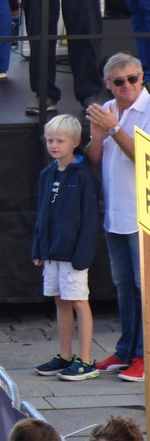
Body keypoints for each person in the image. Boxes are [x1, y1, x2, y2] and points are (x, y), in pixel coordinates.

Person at [83, 54, 149, 381]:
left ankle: (144, 356)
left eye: (133, 78)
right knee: (124, 286)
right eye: (119, 81)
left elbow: (144, 157)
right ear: (107, 83)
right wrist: (97, 138)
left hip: (143, 216)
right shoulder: (108, 109)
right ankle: (126, 351)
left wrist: (113, 128)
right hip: (115, 213)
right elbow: (93, 161)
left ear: (142, 77)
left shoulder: (147, 110)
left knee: (143, 288)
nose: (127, 86)